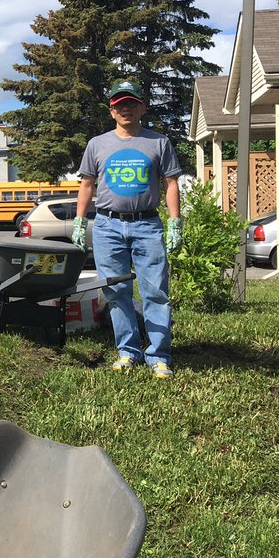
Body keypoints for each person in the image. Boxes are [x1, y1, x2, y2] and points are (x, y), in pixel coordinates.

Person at [74, 80, 183, 378]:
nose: (126, 109)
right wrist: (80, 220)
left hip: (147, 225)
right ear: (111, 110)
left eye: (132, 103)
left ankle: (159, 356)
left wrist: (175, 221)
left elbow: (171, 183)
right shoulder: (97, 144)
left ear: (142, 107)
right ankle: (127, 351)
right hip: (108, 226)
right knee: (116, 291)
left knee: (156, 291)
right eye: (120, 104)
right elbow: (86, 184)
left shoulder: (158, 142)